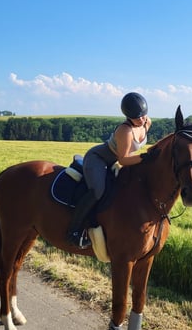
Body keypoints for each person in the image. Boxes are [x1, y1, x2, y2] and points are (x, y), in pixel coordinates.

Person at [66, 92, 153, 248]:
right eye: (136, 117)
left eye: (143, 115)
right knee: (97, 191)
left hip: (116, 160)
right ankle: (74, 231)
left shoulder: (146, 122)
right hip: (98, 159)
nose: (141, 119)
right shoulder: (125, 131)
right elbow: (123, 159)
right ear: (128, 116)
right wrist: (145, 157)